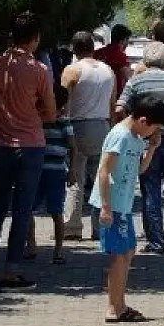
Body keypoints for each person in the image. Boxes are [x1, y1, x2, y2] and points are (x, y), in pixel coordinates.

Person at [0, 11, 57, 290]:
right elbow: (50, 112)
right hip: (30, 145)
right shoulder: (38, 69)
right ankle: (11, 271)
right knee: (22, 211)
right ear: (35, 39)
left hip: (1, 145)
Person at [90, 96, 164, 323]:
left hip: (123, 206)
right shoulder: (120, 136)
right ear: (143, 120)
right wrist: (105, 207)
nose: (153, 132)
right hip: (112, 206)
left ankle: (119, 304)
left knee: (128, 252)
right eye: (153, 127)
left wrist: (151, 149)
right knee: (120, 255)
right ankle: (115, 308)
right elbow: (104, 171)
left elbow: (140, 170)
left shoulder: (136, 138)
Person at [118, 42, 164, 253]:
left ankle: (156, 242)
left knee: (151, 191)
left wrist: (134, 130)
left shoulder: (136, 82)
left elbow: (120, 107)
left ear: (145, 61)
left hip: (148, 143)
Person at [61, 31, 116, 241]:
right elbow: (112, 103)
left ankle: (72, 227)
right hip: (102, 125)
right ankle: (99, 227)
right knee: (100, 178)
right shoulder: (108, 70)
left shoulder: (72, 70)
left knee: (76, 176)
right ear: (93, 47)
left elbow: (63, 102)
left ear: (74, 49)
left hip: (78, 125)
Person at [26, 85, 74, 264]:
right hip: (36, 170)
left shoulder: (63, 122)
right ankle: (31, 244)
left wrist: (72, 171)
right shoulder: (36, 119)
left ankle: (59, 248)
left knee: (56, 211)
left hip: (56, 172)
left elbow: (72, 147)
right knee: (28, 208)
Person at [95, 24, 133, 103]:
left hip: (97, 96)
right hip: (114, 97)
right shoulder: (120, 56)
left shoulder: (98, 53)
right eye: (127, 40)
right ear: (123, 40)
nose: (128, 43)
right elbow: (129, 79)